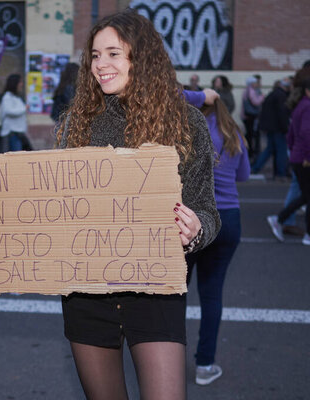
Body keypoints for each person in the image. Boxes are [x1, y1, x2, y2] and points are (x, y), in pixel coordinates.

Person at [56, 10, 220, 399]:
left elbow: (208, 210)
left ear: (141, 57)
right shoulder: (74, 124)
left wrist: (196, 229)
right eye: (95, 55)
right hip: (86, 293)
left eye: (114, 53)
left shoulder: (186, 123)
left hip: (154, 289)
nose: (101, 65)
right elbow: (54, 211)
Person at [186, 98, 250, 385]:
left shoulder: (190, 130)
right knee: (212, 296)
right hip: (229, 220)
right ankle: (205, 364)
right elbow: (244, 176)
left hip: (194, 220)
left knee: (175, 296)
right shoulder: (233, 133)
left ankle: (166, 360)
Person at [267, 77, 310, 246]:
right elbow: (306, 133)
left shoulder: (300, 106)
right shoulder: (307, 106)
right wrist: (306, 156)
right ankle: (305, 233)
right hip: (305, 158)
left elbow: (291, 134)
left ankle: (279, 218)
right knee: (307, 196)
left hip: (299, 157)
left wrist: (294, 151)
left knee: (306, 195)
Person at [251, 78, 291, 179]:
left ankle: (255, 168)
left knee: (269, 149)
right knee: (281, 149)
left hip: (270, 127)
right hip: (277, 128)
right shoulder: (281, 96)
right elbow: (282, 114)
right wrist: (285, 127)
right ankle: (281, 173)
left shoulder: (273, 94)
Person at [0, 74, 29, 152]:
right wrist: (24, 108)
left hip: (17, 132)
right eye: (20, 82)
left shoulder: (15, 97)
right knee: (15, 156)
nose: (21, 84)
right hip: (12, 133)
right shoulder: (7, 97)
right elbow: (8, 111)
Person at [241, 75, 264, 160]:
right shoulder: (251, 91)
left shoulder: (246, 90)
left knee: (249, 134)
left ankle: (248, 150)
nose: (256, 84)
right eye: (255, 83)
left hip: (246, 115)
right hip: (251, 116)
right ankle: (250, 151)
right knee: (251, 134)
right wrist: (262, 97)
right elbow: (256, 102)